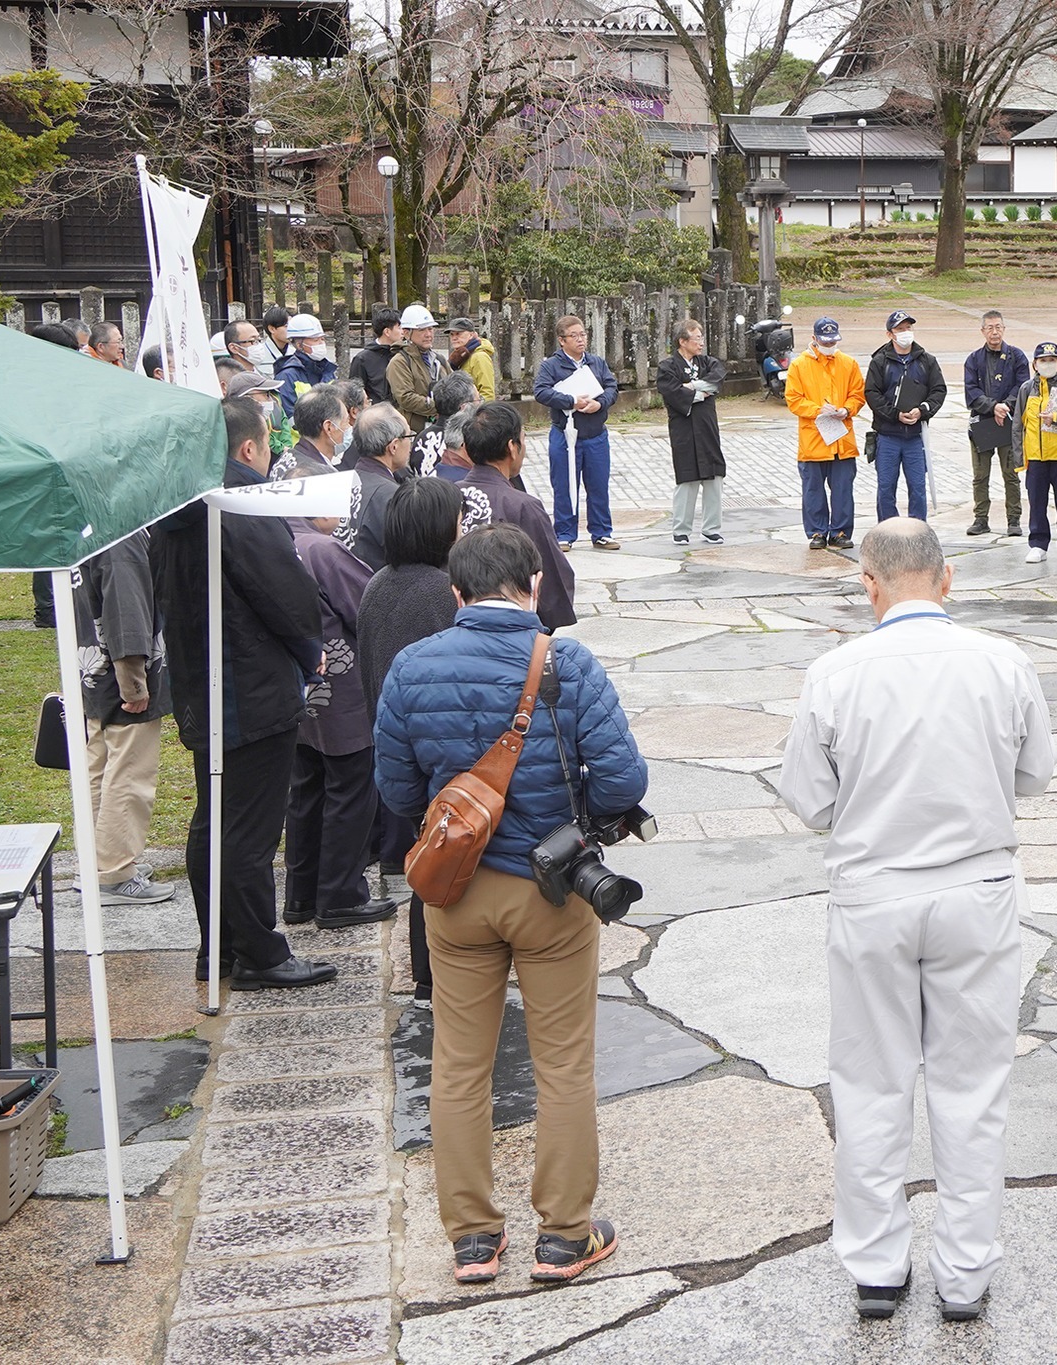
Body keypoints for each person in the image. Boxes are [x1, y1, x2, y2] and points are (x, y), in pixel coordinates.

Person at [778, 518, 1054, 1322]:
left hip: (874, 890)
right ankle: (965, 1271)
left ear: (868, 583)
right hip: (975, 886)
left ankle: (876, 1265)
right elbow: (1035, 775)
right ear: (947, 575)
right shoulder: (1002, 662)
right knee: (973, 1086)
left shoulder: (835, 672)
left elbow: (810, 798)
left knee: (871, 1081)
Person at [374, 524, 647, 1286]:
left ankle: (472, 1238)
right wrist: (578, 814)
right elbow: (624, 781)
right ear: (533, 584)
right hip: (549, 889)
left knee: (460, 1063)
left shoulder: (411, 667)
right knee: (562, 1062)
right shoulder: (567, 663)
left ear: (456, 592)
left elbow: (395, 789)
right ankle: (563, 1235)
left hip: (456, 891)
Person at [150, 398, 337, 990]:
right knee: (248, 830)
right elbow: (286, 593)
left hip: (203, 682)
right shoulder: (240, 506)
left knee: (214, 820)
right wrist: (310, 649)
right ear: (248, 448)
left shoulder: (176, 506)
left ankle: (219, 947)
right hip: (249, 688)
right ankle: (259, 952)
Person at [359, 478, 464, 1010]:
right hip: (439, 750)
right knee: (450, 861)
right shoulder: (441, 592)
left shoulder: (378, 583)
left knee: (429, 856)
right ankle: (437, 974)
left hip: (395, 743)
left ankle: (427, 975)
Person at [285, 489, 396, 931]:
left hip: (300, 689)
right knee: (350, 790)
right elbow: (369, 607)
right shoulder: (323, 549)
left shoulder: (283, 540)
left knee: (306, 789)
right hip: (340, 687)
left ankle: (301, 894)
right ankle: (340, 896)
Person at [72, 530, 173, 905]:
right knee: (129, 772)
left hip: (94, 670)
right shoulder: (122, 538)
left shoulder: (89, 529)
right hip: (120, 675)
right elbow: (125, 610)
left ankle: (96, 863)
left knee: (100, 767)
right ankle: (114, 872)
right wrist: (133, 682)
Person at [458, 402, 578, 630]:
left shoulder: (445, 495)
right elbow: (552, 577)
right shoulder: (522, 506)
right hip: (509, 629)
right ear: (512, 447)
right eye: (523, 438)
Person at [532, 314, 620, 552]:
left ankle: (602, 532)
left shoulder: (596, 362)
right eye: (574, 336)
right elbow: (541, 392)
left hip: (596, 434)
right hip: (565, 435)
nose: (580, 339)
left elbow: (612, 387)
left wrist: (599, 404)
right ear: (562, 340)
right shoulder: (551, 366)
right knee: (564, 485)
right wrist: (571, 401)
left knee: (598, 485)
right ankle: (564, 534)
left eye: (583, 334)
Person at [784, 316, 865, 550]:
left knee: (843, 489)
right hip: (813, 439)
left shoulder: (848, 363)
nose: (829, 345)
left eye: (833, 341)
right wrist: (818, 410)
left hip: (841, 438)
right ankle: (817, 532)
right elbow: (793, 399)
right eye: (825, 341)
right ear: (814, 338)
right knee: (813, 490)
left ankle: (840, 531)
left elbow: (858, 394)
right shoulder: (799, 365)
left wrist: (846, 409)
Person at [862, 309, 946, 524]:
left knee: (917, 486)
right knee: (886, 487)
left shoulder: (927, 360)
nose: (905, 332)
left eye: (908, 328)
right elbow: (872, 393)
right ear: (890, 334)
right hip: (887, 435)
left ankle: (918, 529)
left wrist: (923, 410)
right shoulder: (879, 361)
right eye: (900, 329)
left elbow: (938, 390)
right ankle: (888, 529)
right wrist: (895, 415)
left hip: (915, 437)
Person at [657, 318, 729, 545]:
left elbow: (717, 379)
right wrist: (700, 394)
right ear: (682, 341)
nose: (701, 343)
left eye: (701, 338)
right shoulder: (667, 367)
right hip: (684, 428)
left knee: (714, 476)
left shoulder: (707, 362)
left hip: (707, 426)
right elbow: (672, 392)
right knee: (687, 477)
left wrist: (693, 386)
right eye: (697, 338)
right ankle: (681, 529)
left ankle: (711, 528)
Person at [1011, 340, 1057, 565]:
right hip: (1036, 458)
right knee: (1037, 503)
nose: (1047, 364)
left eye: (1052, 360)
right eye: (1043, 360)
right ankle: (1038, 544)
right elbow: (1018, 424)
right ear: (1035, 364)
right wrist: (1020, 459)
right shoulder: (1026, 389)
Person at [963, 310, 1028, 537]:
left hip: (1008, 422)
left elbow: (1022, 386)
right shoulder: (973, 359)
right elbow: (971, 391)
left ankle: (1014, 519)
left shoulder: (1017, 356)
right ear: (983, 331)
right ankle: (981, 518)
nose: (994, 332)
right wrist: (993, 407)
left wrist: (1006, 406)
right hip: (982, 421)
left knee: (1011, 474)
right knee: (980, 475)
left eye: (998, 327)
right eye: (990, 327)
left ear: (1004, 329)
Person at [342, 404, 416, 571]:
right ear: (394, 446)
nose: (411, 444)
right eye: (409, 436)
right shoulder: (394, 498)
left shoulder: (342, 481)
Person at [388, 304, 446, 436]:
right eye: (422, 330)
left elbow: (452, 385)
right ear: (406, 333)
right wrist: (439, 407)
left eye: (430, 329)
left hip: (442, 429)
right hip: (413, 432)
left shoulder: (438, 359)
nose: (428, 334)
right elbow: (406, 398)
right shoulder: (399, 362)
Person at [272, 386, 350, 483]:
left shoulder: (288, 457)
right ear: (329, 427)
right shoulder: (316, 476)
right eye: (346, 421)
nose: (349, 427)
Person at [413, 372, 481, 480]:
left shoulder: (421, 437)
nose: (480, 405)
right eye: (478, 399)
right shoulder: (464, 440)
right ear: (463, 407)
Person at [273, 313, 339, 417]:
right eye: (315, 340)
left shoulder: (327, 370)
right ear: (299, 345)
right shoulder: (287, 376)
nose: (321, 344)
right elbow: (289, 415)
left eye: (322, 339)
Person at [227, 369, 296, 461]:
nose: (271, 399)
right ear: (247, 398)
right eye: (266, 394)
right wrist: (281, 449)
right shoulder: (234, 424)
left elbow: (285, 431)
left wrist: (287, 451)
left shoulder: (276, 407)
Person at [351, 306, 403, 404]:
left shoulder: (402, 354)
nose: (403, 332)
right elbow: (356, 394)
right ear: (387, 332)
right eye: (399, 328)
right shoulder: (362, 359)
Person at [448, 317, 498, 401]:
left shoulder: (480, 357)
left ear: (471, 335)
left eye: (458, 334)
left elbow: (488, 394)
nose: (454, 338)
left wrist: (474, 408)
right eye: (452, 334)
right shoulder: (459, 357)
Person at [248, 306, 291, 375]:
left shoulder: (295, 352)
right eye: (286, 326)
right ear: (272, 329)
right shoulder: (258, 354)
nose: (291, 329)